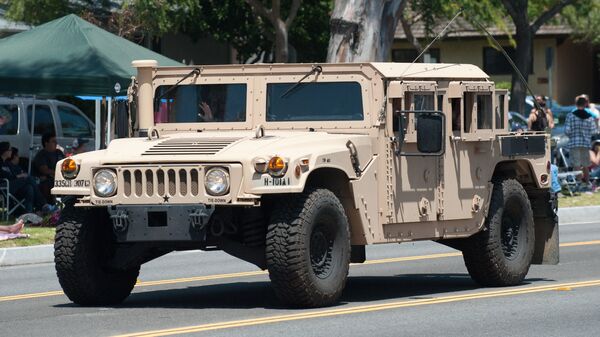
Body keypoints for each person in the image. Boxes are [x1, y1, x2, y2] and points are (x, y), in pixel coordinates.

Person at [0, 142, 56, 214]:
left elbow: (13, 174)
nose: (11, 151)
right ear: (4, 151)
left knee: (29, 188)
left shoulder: (7, 163)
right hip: (3, 186)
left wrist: (19, 175)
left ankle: (29, 213)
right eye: (10, 149)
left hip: (11, 185)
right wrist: (18, 176)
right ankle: (44, 204)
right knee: (28, 178)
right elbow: (4, 175)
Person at [565, 95, 598, 184]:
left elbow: (567, 131)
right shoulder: (589, 117)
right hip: (586, 144)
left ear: (576, 104)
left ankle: (579, 182)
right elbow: (594, 131)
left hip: (574, 143)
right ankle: (587, 182)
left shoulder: (570, 116)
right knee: (586, 164)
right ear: (585, 104)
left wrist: (572, 135)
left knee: (576, 164)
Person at [32, 132, 65, 205]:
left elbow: (65, 164)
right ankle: (49, 205)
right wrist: (58, 173)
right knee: (48, 184)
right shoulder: (41, 155)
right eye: (53, 141)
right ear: (46, 143)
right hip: (46, 180)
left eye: (56, 141)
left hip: (61, 177)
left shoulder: (59, 152)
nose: (56, 143)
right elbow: (45, 170)